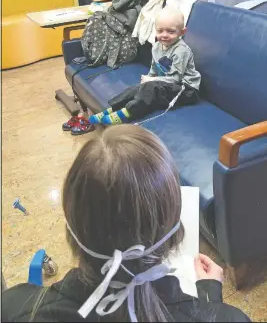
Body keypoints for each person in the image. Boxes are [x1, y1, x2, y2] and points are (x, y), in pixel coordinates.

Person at [2, 125, 251, 322]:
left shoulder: (13, 309)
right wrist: (209, 300)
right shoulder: (231, 319)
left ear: (72, 229)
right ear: (175, 235)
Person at [88, 6, 201, 127]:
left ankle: (127, 113)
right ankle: (112, 109)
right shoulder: (157, 46)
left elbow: (176, 79)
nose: (164, 35)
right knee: (138, 88)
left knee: (151, 87)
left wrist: (151, 80)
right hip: (167, 85)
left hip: (186, 90)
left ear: (182, 32)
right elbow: (154, 68)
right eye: (160, 31)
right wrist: (148, 79)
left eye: (171, 31)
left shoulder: (181, 51)